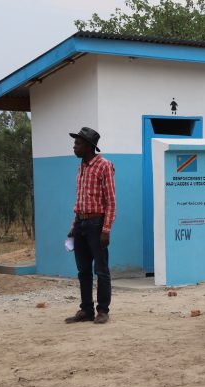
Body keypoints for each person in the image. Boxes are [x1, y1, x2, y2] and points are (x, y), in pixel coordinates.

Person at [65, 127, 116, 325]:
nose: (74, 146)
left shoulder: (104, 165)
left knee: (101, 270)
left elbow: (111, 201)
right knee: (83, 270)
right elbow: (80, 199)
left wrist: (106, 229)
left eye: (78, 143)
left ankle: (102, 310)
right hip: (80, 223)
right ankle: (86, 310)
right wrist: (73, 225)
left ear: (88, 146)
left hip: (96, 224)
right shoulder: (82, 166)